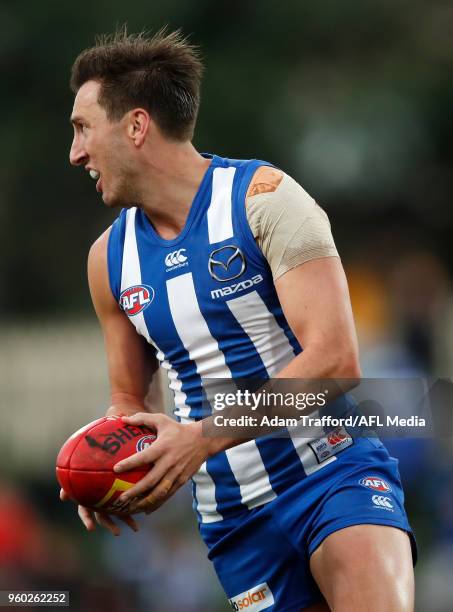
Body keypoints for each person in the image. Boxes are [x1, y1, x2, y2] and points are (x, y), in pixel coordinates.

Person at [65, 28, 416, 611]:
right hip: (235, 519)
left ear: (135, 126)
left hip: (332, 476)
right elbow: (129, 399)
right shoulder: (108, 259)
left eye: (82, 128)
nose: (75, 152)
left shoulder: (267, 200)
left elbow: (334, 360)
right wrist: (108, 464)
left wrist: (200, 438)